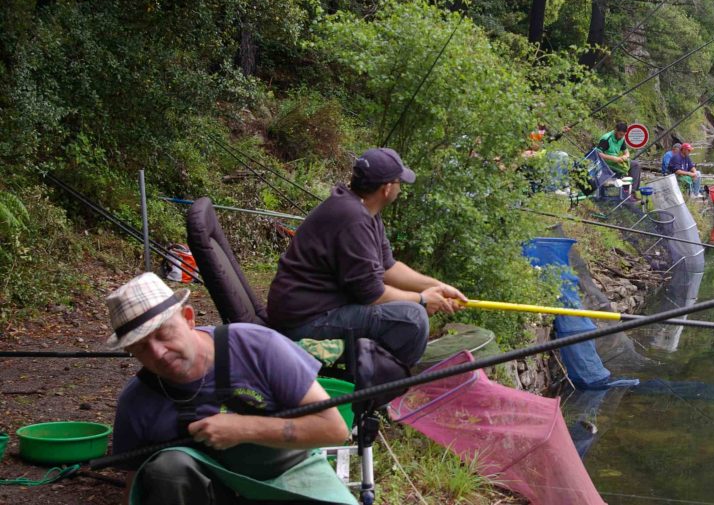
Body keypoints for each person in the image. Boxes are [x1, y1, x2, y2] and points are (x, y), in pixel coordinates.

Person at [108, 272, 354, 505]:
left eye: (164, 333)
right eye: (141, 347)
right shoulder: (136, 402)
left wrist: (245, 429)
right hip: (209, 493)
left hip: (289, 478)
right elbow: (134, 485)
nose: (158, 353)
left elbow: (334, 429)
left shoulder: (258, 346)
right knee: (167, 468)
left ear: (188, 317)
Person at [267, 147, 466, 367]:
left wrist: (438, 286)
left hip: (318, 310)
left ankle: (369, 374)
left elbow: (389, 268)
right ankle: (378, 392)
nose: (401, 188)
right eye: (400, 182)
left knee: (410, 311)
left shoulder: (365, 211)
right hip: (303, 322)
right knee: (413, 318)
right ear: (387, 188)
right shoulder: (353, 219)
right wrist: (422, 299)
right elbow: (373, 294)